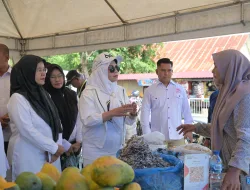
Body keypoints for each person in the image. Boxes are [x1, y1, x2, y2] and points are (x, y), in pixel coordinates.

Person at [177, 49, 250, 190]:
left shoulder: (245, 94)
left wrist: (234, 170)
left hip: (240, 173)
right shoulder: (229, 93)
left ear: (229, 67)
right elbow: (223, 128)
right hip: (227, 166)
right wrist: (196, 127)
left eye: (216, 65)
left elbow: (247, 136)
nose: (213, 70)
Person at [7, 55, 65, 180]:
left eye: (44, 69)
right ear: (27, 71)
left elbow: (56, 123)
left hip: (50, 155)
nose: (43, 73)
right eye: (38, 69)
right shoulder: (17, 98)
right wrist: (54, 148)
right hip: (28, 157)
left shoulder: (44, 94)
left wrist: (57, 147)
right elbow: (27, 130)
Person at [79, 52, 137, 166]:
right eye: (111, 68)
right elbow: (87, 120)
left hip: (117, 150)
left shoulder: (121, 91)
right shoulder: (88, 93)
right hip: (95, 153)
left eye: (117, 67)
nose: (116, 71)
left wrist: (132, 114)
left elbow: (128, 122)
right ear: (100, 71)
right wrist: (112, 113)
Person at [140, 58, 193, 146]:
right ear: (157, 71)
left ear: (172, 71)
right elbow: (144, 114)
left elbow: (186, 111)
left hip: (177, 137)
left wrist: (189, 130)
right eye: (163, 70)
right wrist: (148, 135)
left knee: (179, 159)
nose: (166, 73)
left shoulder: (180, 89)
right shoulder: (149, 91)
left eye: (169, 70)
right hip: (158, 139)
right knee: (158, 160)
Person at [44, 64, 82, 169]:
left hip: (75, 146)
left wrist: (78, 141)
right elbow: (48, 125)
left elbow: (79, 118)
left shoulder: (71, 94)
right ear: (48, 79)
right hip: (57, 147)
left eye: (60, 76)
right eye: (53, 77)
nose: (57, 79)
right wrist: (65, 145)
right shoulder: (45, 97)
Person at [0, 44, 11, 154]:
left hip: (13, 133)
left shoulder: (17, 77)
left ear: (7, 57)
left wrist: (9, 116)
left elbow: (23, 100)